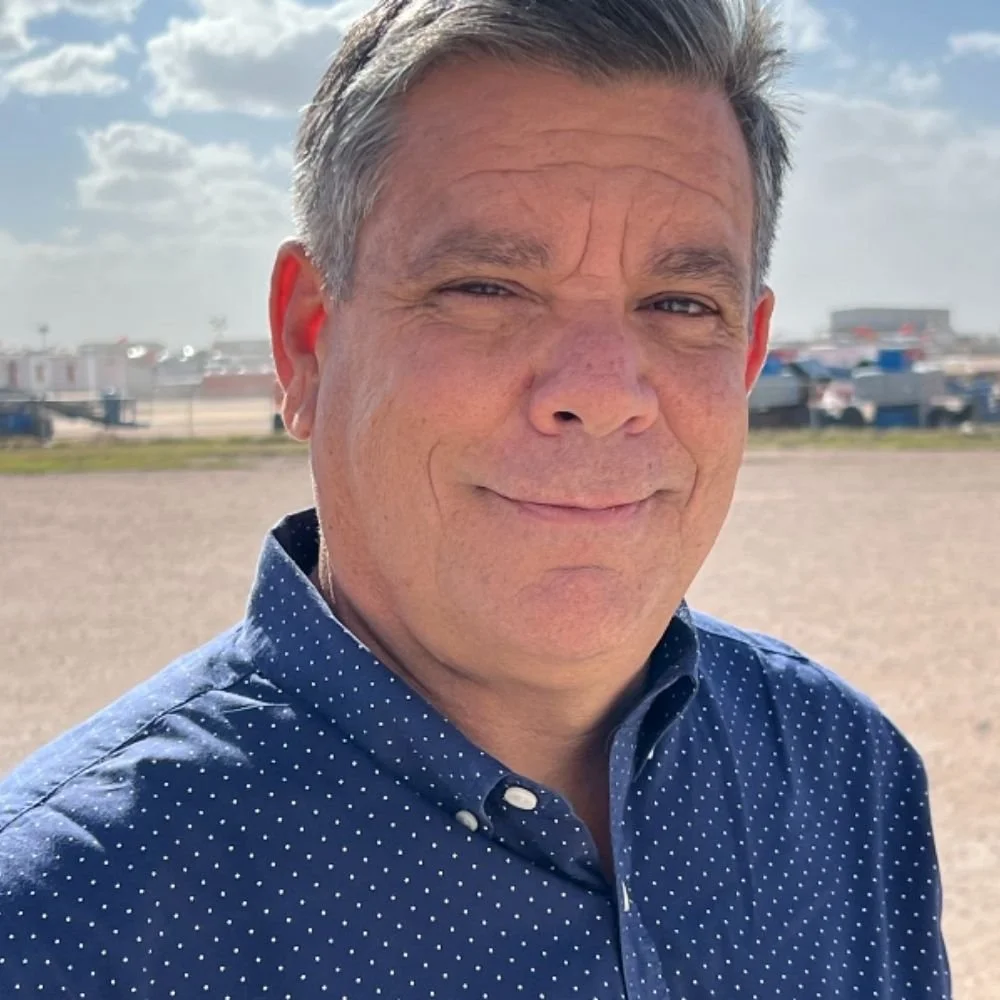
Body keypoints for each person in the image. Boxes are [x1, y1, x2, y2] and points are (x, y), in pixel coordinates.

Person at [0, 1, 951, 997]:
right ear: (306, 342)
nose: (600, 388)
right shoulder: (58, 922)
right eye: (486, 287)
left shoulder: (847, 775)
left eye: (678, 305)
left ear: (747, 355)